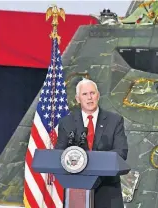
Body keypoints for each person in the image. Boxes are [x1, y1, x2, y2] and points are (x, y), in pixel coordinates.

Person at [55, 78, 128, 208]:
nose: (89, 97)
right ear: (78, 99)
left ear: (98, 95)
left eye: (92, 93)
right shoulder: (67, 123)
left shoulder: (114, 120)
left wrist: (90, 161)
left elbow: (121, 152)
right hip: (77, 190)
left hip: (107, 189)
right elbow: (59, 153)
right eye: (84, 94)